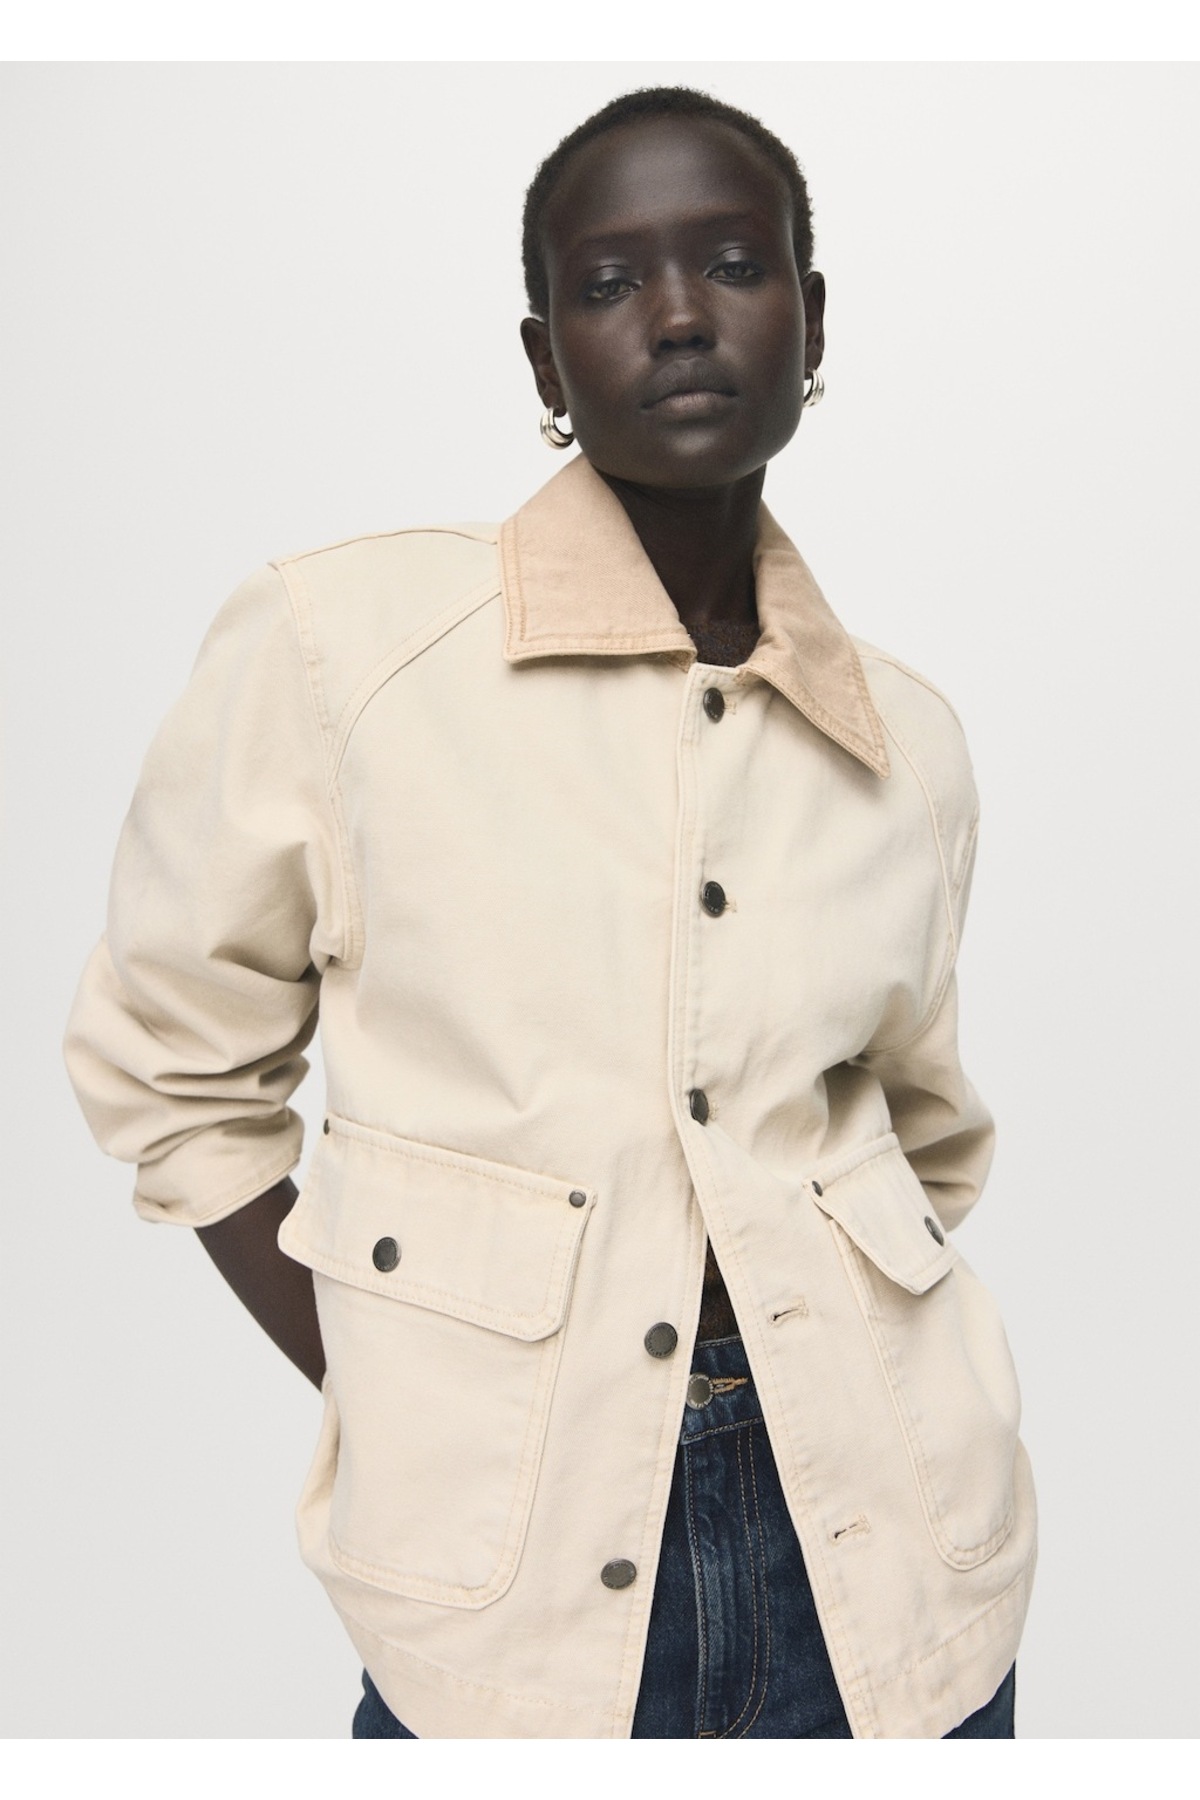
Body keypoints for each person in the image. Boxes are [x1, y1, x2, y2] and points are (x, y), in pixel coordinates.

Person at [64, 86, 1036, 1739]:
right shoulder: (343, 653)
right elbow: (171, 1075)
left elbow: (924, 1145)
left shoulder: (908, 742)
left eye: (736, 264)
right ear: (544, 362)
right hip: (511, 1589)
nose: (680, 315)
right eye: (610, 282)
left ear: (812, 322)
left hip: (898, 1564)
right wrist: (412, 1388)